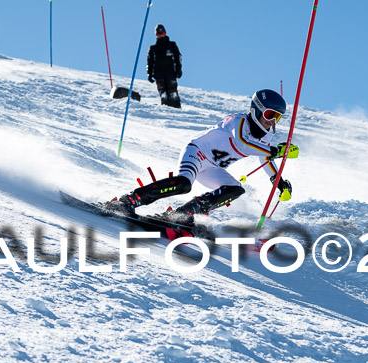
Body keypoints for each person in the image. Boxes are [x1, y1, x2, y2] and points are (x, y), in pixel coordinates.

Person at [107, 89, 298, 225]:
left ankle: (182, 214)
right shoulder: (238, 121)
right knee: (183, 184)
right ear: (256, 109)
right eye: (270, 114)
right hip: (197, 153)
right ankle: (128, 201)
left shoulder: (266, 136)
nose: (272, 121)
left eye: (277, 117)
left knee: (235, 190)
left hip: (213, 168)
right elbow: (242, 143)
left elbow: (264, 158)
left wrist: (278, 181)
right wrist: (275, 150)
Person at [146, 24, 182, 108]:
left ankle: (177, 110)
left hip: (170, 73)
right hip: (159, 74)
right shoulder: (153, 48)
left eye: (161, 33)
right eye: (158, 34)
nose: (160, 35)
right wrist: (149, 74)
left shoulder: (172, 45)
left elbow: (178, 57)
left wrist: (178, 69)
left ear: (165, 33)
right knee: (164, 95)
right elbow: (149, 62)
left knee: (173, 93)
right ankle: (167, 111)